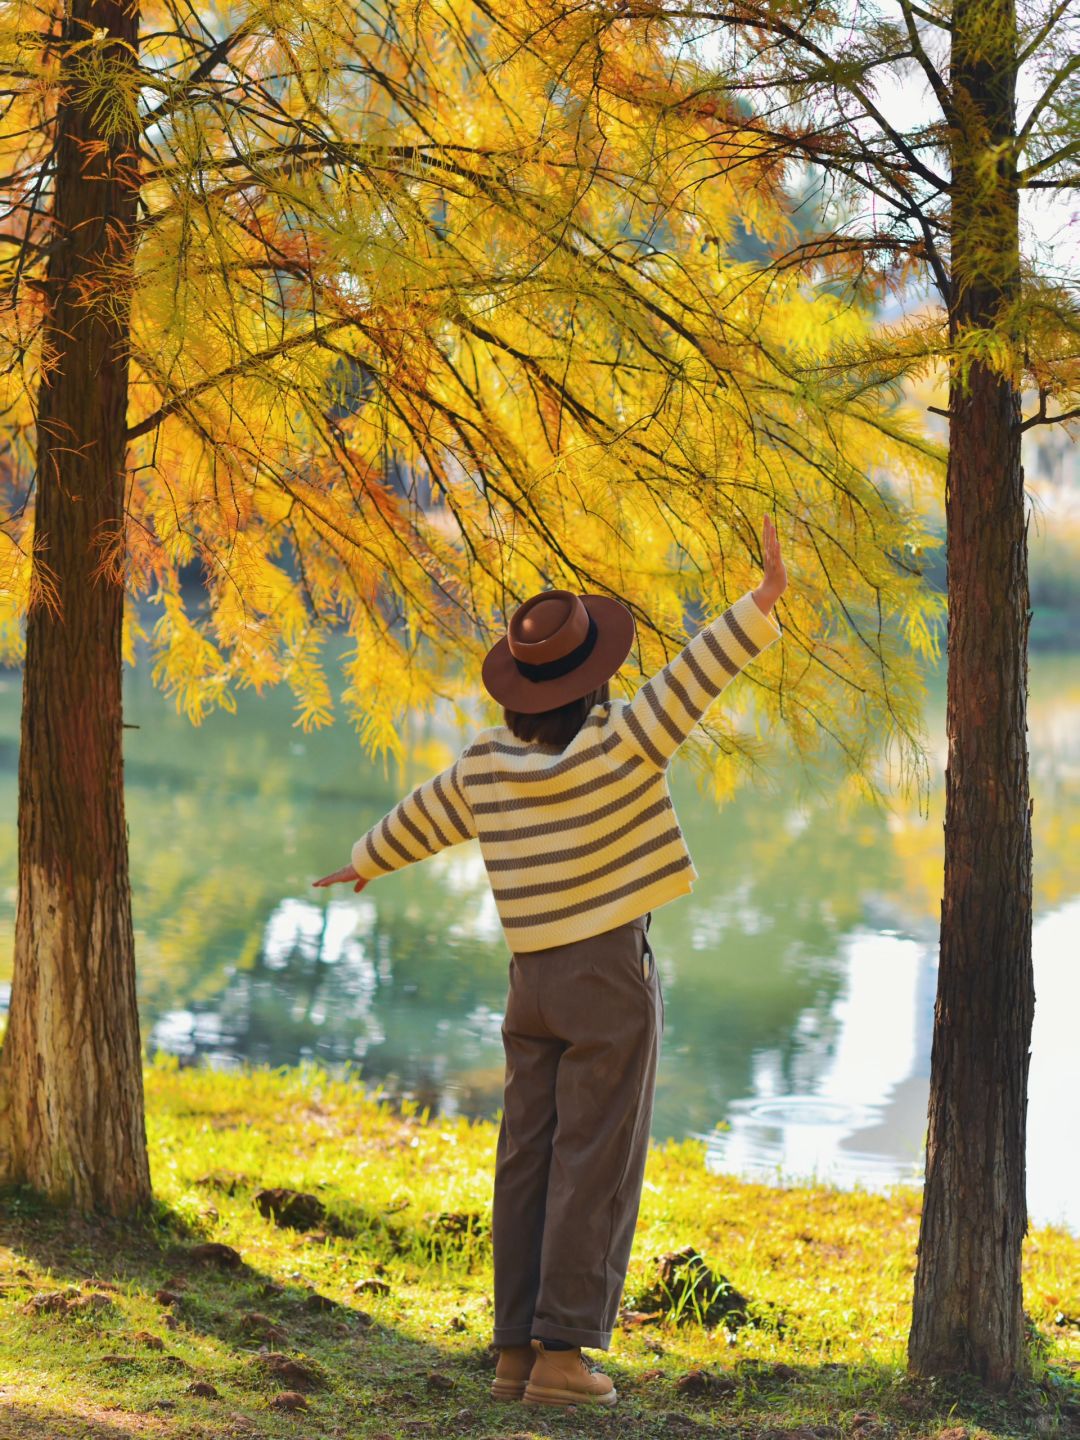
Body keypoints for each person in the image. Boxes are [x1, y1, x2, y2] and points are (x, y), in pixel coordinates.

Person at [315, 514, 787, 1408]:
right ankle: (564, 1357)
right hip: (606, 976)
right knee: (594, 1159)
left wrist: (367, 856)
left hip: (530, 982)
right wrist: (761, 601)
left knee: (527, 1154)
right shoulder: (622, 739)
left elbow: (427, 811)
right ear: (592, 677)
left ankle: (513, 1353)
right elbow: (696, 674)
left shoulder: (488, 760)